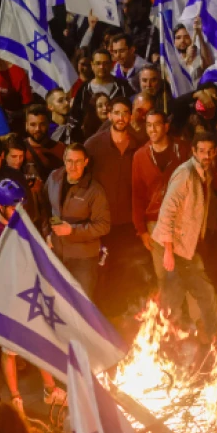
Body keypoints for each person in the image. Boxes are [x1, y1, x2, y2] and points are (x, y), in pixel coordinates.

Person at [0, 181, 67, 412]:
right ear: (1, 206)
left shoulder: (20, 223)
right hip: (7, 300)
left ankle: (50, 390)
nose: (19, 212)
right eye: (14, 208)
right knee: (11, 351)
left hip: (29, 293)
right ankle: (16, 400)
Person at [152, 131, 217, 343]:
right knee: (202, 292)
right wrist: (168, 251)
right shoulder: (185, 173)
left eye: (210, 151)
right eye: (202, 151)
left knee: (176, 295)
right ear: (193, 151)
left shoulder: (205, 173)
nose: (206, 155)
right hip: (176, 247)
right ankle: (207, 334)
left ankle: (167, 339)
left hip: (188, 246)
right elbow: (167, 211)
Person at [84, 96, 145, 315]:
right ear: (109, 115)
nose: (121, 118)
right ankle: (98, 314)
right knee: (99, 269)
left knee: (124, 268)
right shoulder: (93, 145)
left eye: (125, 113)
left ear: (130, 116)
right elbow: (82, 180)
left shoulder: (140, 144)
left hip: (127, 222)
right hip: (100, 220)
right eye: (116, 113)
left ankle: (119, 315)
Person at [41, 144, 111, 298]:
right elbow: (47, 207)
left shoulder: (94, 190)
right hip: (57, 255)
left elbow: (103, 226)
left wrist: (72, 230)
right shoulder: (54, 178)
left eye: (78, 161)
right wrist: (48, 234)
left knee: (82, 306)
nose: (73, 167)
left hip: (83, 260)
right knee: (58, 304)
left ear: (86, 162)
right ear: (64, 160)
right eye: (69, 161)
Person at [131, 110, 191, 283]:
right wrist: (141, 230)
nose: (152, 130)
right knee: (164, 275)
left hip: (182, 219)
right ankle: (171, 310)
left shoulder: (183, 150)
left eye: (157, 124)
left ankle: (190, 309)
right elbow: (137, 196)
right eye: (149, 125)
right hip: (155, 222)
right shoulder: (140, 156)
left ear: (166, 127)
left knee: (188, 271)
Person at [69, 49, 135, 132]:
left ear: (111, 65)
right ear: (92, 65)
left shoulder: (123, 87)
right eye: (98, 63)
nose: (102, 67)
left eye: (105, 63)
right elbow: (75, 119)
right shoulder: (83, 89)